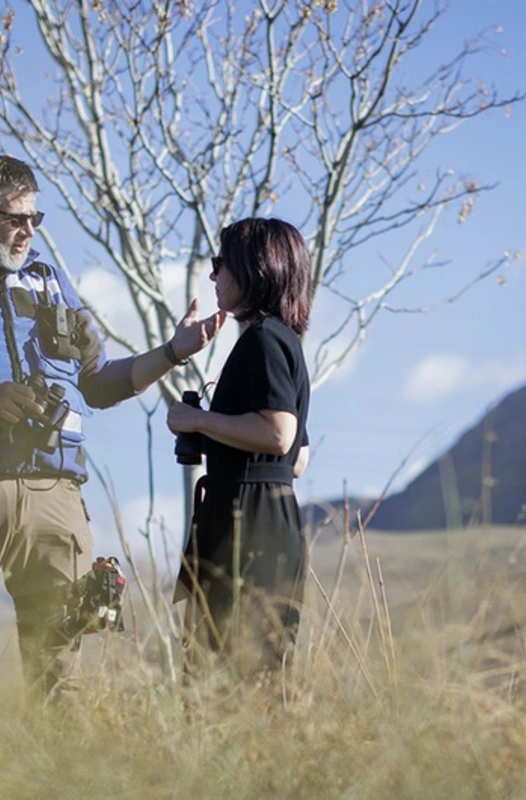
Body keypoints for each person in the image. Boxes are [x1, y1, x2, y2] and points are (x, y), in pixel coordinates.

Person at [0, 155, 224, 750]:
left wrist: (174, 351)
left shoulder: (51, 281)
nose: (28, 231)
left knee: (61, 673)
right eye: (14, 218)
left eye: (35, 218)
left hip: (58, 498)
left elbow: (101, 382)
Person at [166, 217, 312, 682]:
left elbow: (279, 436)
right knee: (261, 679)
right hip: (274, 520)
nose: (212, 276)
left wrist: (197, 420)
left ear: (254, 269)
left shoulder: (263, 340)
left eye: (220, 263)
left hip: (245, 525)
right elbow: (299, 459)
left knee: (224, 681)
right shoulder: (284, 341)